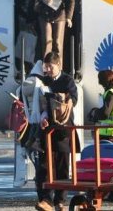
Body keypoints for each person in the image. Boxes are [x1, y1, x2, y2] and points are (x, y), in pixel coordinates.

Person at [35, 52, 79, 211]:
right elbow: (40, 103)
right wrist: (43, 116)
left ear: (58, 65)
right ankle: (45, 200)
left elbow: (74, 98)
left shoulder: (67, 80)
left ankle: (60, 201)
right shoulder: (43, 81)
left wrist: (64, 101)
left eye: (50, 66)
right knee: (44, 167)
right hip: (47, 129)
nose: (47, 69)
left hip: (63, 130)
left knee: (62, 166)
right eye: (45, 67)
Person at [88, 69, 113, 202]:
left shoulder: (110, 93)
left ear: (103, 80)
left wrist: (94, 113)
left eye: (99, 79)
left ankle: (111, 193)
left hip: (109, 134)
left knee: (107, 165)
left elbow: (105, 113)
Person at [32, 0, 75, 67]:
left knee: (57, 42)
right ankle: (46, 68)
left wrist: (69, 17)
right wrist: (44, 0)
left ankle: (58, 69)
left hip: (60, 15)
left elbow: (71, 0)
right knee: (47, 41)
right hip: (45, 14)